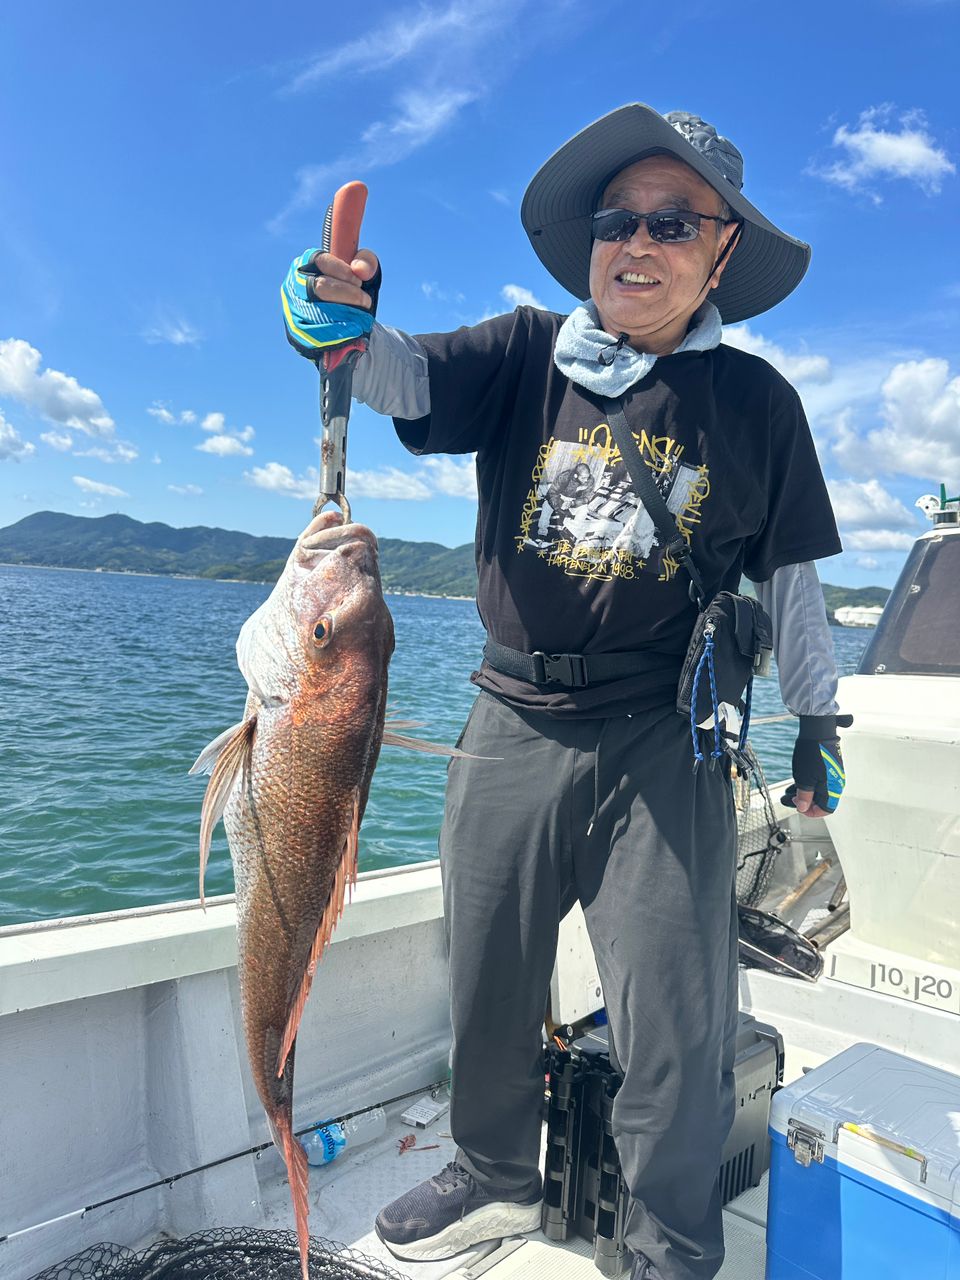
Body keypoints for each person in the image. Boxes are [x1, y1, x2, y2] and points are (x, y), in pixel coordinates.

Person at [282, 104, 848, 1280]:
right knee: (486, 970)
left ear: (722, 251)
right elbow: (397, 372)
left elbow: (792, 580)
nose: (638, 243)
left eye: (673, 222)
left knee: (672, 1018)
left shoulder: (758, 407)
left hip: (663, 737)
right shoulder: (527, 351)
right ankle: (495, 1175)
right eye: (619, 219)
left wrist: (819, 722)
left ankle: (669, 1243)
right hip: (510, 716)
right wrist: (342, 316)